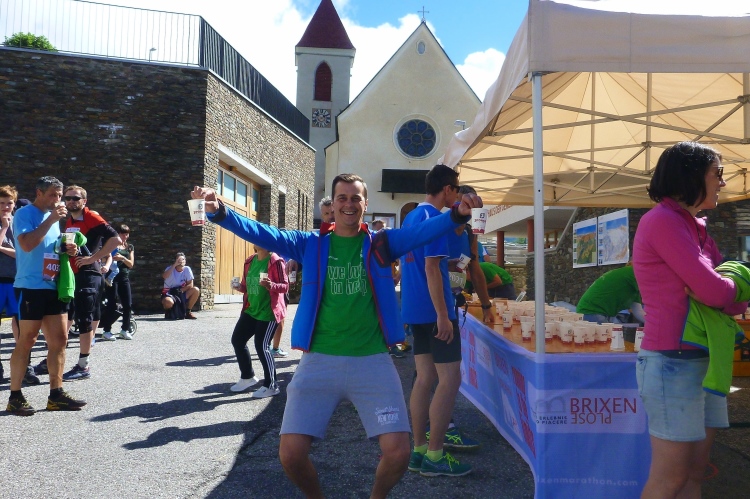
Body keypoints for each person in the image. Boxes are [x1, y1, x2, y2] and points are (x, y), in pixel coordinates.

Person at [191, 172, 482, 498]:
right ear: (334, 203)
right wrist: (219, 212)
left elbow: (421, 232)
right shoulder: (312, 244)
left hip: (372, 360)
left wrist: (457, 215)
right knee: (290, 454)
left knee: (399, 453)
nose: (348, 204)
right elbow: (263, 232)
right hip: (319, 359)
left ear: (365, 204)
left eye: (356, 198)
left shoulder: (381, 244)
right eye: (342, 198)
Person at [633, 142, 747, 498]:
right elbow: (717, 291)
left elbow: (728, 295)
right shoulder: (663, 221)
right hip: (672, 360)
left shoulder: (694, 225)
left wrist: (727, 293)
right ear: (691, 175)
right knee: (671, 478)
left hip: (701, 358)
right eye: (717, 174)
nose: (723, 183)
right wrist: (726, 293)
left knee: (695, 472)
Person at [400, 164, 474, 477]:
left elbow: (421, 263)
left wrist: (449, 264)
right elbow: (431, 268)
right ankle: (435, 454)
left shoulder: (412, 216)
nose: (456, 197)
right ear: (447, 190)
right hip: (434, 311)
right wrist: (443, 315)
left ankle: (419, 451)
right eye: (456, 190)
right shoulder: (436, 219)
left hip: (414, 308)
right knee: (450, 379)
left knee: (424, 378)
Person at [6, 176, 86, 415]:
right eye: (53, 194)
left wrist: (67, 248)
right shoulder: (25, 214)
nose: (58, 199)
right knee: (27, 340)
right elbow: (27, 244)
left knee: (59, 340)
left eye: (60, 195)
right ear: (39, 193)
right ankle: (15, 396)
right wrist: (51, 219)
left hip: (53, 285)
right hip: (30, 286)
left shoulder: (54, 218)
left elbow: (49, 248)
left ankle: (56, 394)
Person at [61, 185, 122, 381]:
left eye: (75, 198)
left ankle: (83, 366)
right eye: (68, 198)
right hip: (75, 275)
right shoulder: (69, 220)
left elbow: (116, 240)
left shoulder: (90, 216)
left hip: (89, 274)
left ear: (84, 201)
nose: (71, 201)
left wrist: (92, 258)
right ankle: (54, 359)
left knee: (84, 319)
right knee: (76, 315)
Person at [229, 245, 288, 397]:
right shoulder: (250, 261)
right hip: (251, 309)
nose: (255, 241)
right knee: (238, 340)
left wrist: (271, 285)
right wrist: (239, 287)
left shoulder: (276, 261)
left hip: (268, 312)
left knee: (262, 346)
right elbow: (246, 287)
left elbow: (285, 286)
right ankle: (247, 377)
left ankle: (271, 385)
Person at [99, 223, 135, 340]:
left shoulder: (130, 247)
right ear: (118, 234)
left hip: (124, 278)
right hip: (112, 278)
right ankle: (107, 330)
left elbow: (131, 264)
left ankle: (125, 329)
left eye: (127, 234)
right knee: (112, 303)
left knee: (127, 304)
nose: (125, 237)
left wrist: (122, 258)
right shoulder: (111, 245)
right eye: (123, 234)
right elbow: (103, 258)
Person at [576, 265, 643, 324]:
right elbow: (649, 295)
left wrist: (649, 323)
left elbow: (638, 312)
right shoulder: (635, 274)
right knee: (605, 334)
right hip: (592, 311)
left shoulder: (633, 286)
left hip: (592, 310)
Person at [161, 252, 200, 319]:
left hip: (181, 292)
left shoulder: (187, 269)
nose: (181, 261)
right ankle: (169, 311)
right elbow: (164, 276)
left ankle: (188, 312)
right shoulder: (169, 268)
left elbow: (190, 284)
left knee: (196, 290)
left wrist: (180, 290)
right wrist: (174, 265)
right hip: (170, 292)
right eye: (179, 260)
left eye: (183, 259)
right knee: (168, 302)